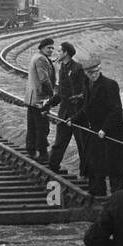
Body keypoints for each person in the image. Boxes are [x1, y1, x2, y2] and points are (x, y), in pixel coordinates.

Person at [83, 57, 123, 197]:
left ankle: (118, 199)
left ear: (100, 69)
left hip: (112, 133)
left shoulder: (110, 85)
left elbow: (115, 110)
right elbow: (86, 108)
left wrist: (104, 129)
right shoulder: (87, 86)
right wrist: (72, 119)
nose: (93, 74)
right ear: (86, 73)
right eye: (90, 73)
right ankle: (99, 197)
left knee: (115, 169)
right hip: (97, 133)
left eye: (96, 71)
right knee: (97, 167)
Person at [47, 43, 88, 175]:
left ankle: (85, 173)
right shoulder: (62, 68)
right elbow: (61, 92)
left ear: (66, 53)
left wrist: (79, 97)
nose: (57, 53)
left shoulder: (77, 68)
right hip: (64, 111)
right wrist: (48, 105)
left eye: (59, 51)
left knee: (82, 145)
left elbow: (85, 90)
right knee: (59, 142)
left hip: (77, 112)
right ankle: (52, 168)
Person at [25, 37, 56, 162]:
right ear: (42, 47)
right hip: (40, 98)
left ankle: (31, 149)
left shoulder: (37, 56)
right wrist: (51, 95)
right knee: (42, 127)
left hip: (32, 98)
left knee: (32, 125)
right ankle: (42, 153)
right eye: (49, 48)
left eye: (53, 48)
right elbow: (44, 79)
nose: (51, 50)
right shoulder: (41, 59)